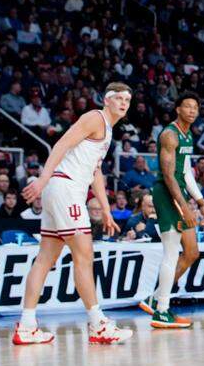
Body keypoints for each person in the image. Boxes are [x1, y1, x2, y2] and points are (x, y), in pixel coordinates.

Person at [13, 82, 133, 345]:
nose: (124, 103)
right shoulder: (94, 117)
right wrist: (42, 180)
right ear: (107, 100)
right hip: (64, 186)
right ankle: (97, 323)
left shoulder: (108, 129)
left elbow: (95, 171)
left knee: (45, 257)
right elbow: (62, 144)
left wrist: (106, 209)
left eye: (128, 99)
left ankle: (27, 325)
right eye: (119, 98)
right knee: (84, 255)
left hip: (66, 188)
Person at [138, 93, 204, 330]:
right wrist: (184, 206)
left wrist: (200, 201)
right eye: (187, 106)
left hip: (181, 194)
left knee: (191, 253)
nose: (191, 110)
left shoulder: (187, 134)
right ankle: (162, 311)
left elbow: (186, 172)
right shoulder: (169, 134)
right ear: (177, 109)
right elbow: (169, 176)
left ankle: (154, 299)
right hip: (167, 194)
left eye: (195, 107)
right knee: (171, 252)